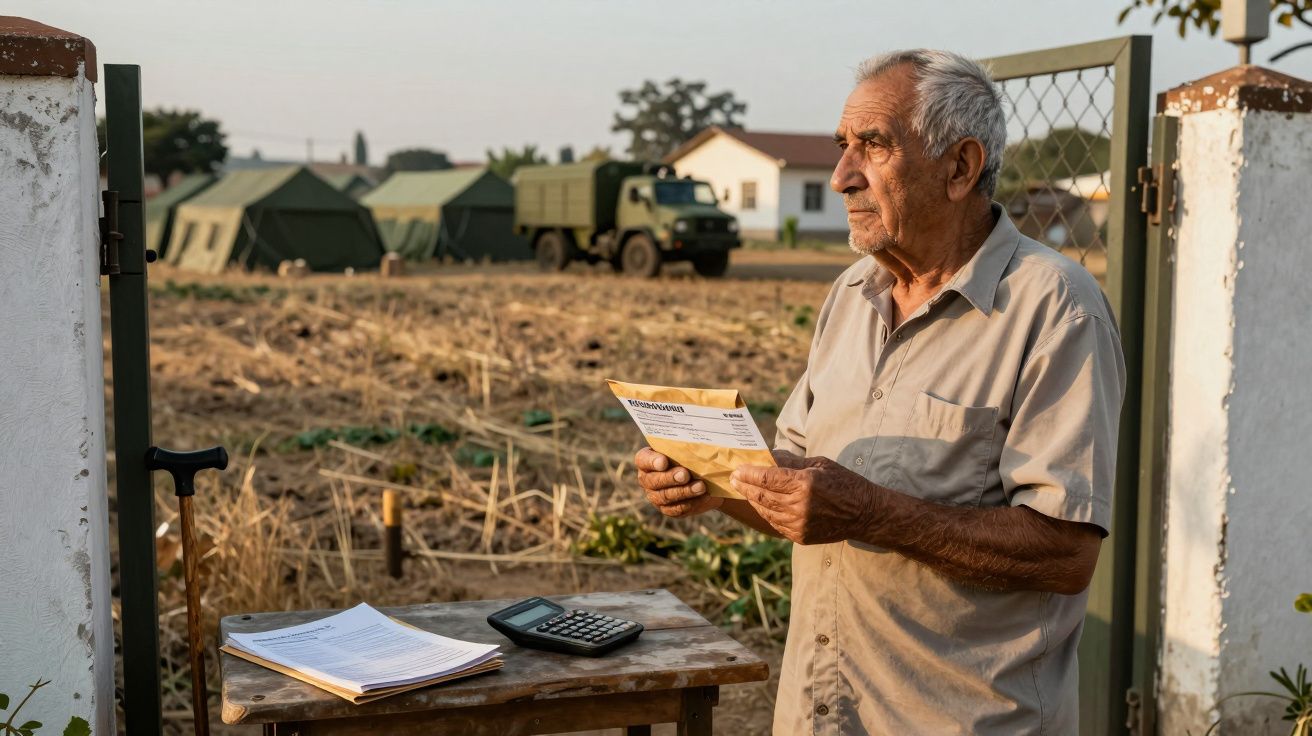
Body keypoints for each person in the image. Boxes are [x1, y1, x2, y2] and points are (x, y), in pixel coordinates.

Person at [635, 49, 1126, 735]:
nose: (842, 177)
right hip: (822, 712)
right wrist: (709, 482)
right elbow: (802, 491)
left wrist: (870, 512)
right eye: (844, 147)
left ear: (960, 167)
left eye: (873, 147)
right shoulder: (850, 294)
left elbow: (1066, 553)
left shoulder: (1055, 308)